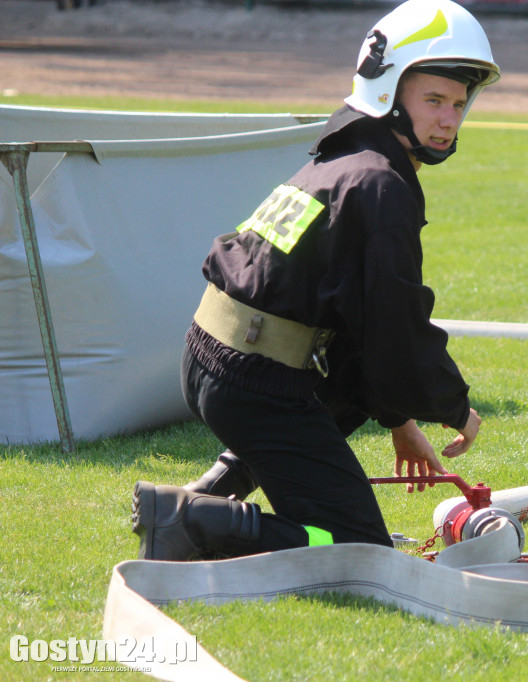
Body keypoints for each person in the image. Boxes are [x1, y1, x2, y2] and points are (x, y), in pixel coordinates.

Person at [131, 0, 498, 562]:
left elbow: (355, 323)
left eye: (457, 103)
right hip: (254, 380)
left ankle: (212, 493)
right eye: (432, 100)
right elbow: (393, 325)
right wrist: (451, 403)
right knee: (356, 548)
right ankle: (183, 519)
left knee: (352, 381)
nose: (449, 119)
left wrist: (398, 421)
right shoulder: (379, 186)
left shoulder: (348, 158)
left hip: (219, 357)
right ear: (388, 93)